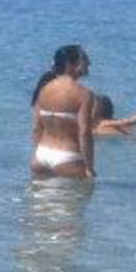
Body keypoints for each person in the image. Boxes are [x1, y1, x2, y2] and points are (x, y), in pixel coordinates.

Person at [31, 46, 97, 178]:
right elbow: (84, 133)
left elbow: (36, 128)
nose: (89, 63)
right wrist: (89, 167)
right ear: (70, 64)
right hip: (68, 157)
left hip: (41, 155)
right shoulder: (84, 94)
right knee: (75, 197)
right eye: (84, 59)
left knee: (42, 198)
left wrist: (41, 152)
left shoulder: (44, 89)